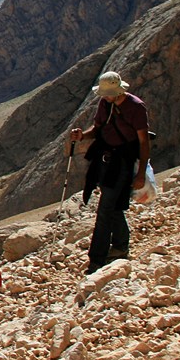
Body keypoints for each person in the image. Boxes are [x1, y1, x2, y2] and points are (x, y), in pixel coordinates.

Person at [66, 70, 151, 274]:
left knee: (105, 209)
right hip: (104, 159)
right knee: (111, 206)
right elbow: (98, 129)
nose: (104, 96)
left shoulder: (135, 107)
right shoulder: (105, 103)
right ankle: (121, 245)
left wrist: (140, 175)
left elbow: (143, 141)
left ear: (118, 91)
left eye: (107, 93)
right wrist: (82, 136)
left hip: (123, 161)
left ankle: (97, 259)